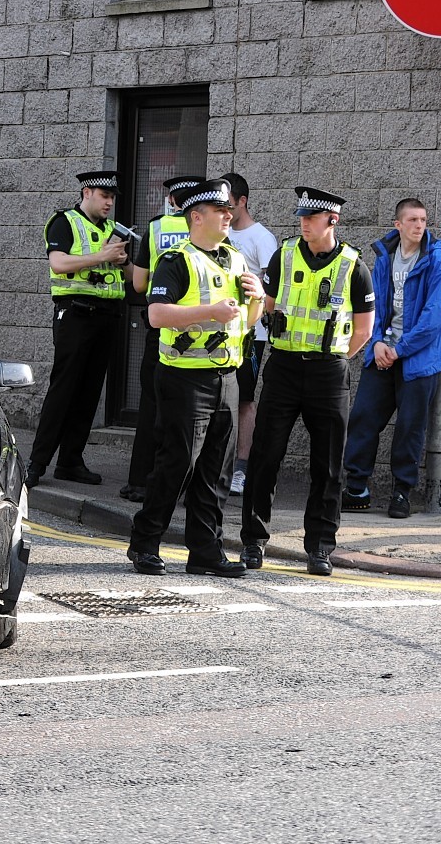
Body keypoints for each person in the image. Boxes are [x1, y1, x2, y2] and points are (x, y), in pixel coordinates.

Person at [126, 179, 263, 578]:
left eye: (228, 211)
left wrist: (256, 298)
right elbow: (156, 315)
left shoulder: (235, 258)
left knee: (216, 470)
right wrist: (209, 312)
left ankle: (205, 550)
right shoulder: (176, 260)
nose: (227, 216)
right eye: (220, 212)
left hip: (226, 377)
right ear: (196, 217)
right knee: (177, 464)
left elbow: (248, 321)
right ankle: (145, 543)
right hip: (184, 379)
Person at [239, 188, 375, 576]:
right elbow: (266, 304)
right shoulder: (283, 255)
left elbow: (364, 330)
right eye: (301, 217)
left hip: (328, 373)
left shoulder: (354, 266)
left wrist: (334, 358)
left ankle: (319, 547)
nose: (303, 223)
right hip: (282, 368)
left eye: (311, 218)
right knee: (265, 457)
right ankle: (254, 541)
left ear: (332, 220)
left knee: (328, 464)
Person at [342, 198, 441, 519]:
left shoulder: (436, 261)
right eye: (413, 220)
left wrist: (399, 349)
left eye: (423, 220)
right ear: (398, 225)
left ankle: (401, 493)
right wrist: (376, 343)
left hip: (417, 361)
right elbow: (372, 306)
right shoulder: (384, 259)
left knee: (409, 428)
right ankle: (357, 489)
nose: (420, 225)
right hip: (381, 356)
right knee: (363, 417)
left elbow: (434, 317)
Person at [26, 170, 131, 488]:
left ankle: (70, 461)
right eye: (104, 196)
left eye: (112, 198)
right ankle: (36, 464)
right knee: (64, 390)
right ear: (87, 193)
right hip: (75, 315)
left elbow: (125, 274)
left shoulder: (114, 229)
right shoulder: (64, 221)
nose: (109, 202)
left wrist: (122, 261)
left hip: (107, 316)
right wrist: (103, 255)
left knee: (89, 393)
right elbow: (57, 263)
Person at [120, 175, 203, 503]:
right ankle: (183, 483)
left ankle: (141, 482)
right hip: (198, 334)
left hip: (160, 329)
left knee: (151, 404)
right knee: (189, 411)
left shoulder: (155, 230)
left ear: (172, 200)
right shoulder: (206, 232)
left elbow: (138, 285)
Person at [219, 172, 279, 498]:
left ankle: (242, 467)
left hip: (250, 334)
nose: (224, 212)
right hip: (219, 334)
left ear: (242, 201)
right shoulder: (218, 235)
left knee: (244, 399)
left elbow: (272, 291)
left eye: (228, 205)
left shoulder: (261, 239)